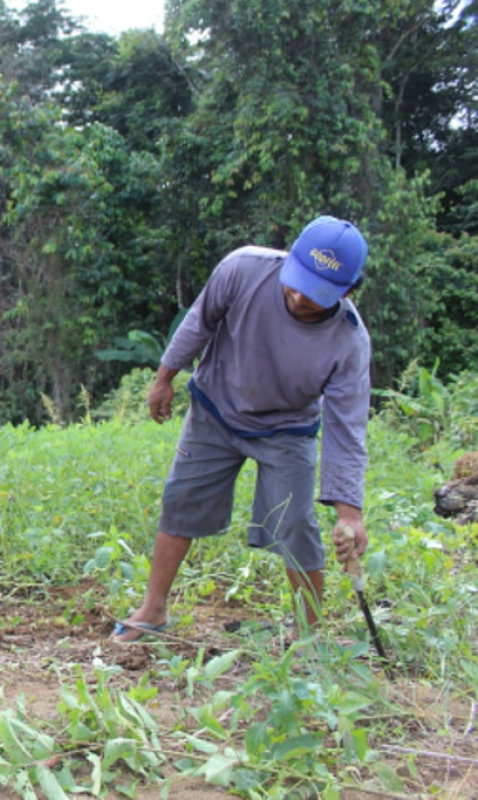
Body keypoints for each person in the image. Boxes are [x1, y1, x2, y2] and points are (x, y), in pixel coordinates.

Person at [112, 216, 371, 643]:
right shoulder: (244, 268)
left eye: (317, 291)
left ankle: (308, 633)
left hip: (288, 429)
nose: (299, 295)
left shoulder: (349, 343)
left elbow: (346, 429)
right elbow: (199, 321)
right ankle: (153, 609)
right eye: (298, 279)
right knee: (181, 502)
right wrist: (164, 377)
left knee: (297, 525)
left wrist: (350, 513)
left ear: (346, 290)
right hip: (216, 408)